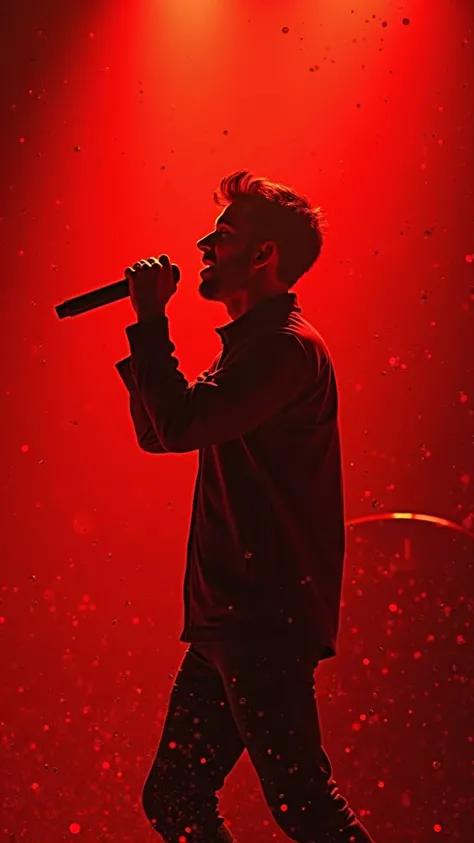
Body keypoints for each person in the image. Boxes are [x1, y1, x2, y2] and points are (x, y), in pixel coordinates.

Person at [115, 171, 376, 842]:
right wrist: (145, 342)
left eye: (223, 236)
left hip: (262, 615)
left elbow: (175, 427)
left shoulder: (285, 350)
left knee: (305, 806)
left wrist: (151, 322)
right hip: (231, 618)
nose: (204, 245)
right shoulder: (254, 351)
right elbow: (159, 432)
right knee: (178, 796)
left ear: (264, 255)